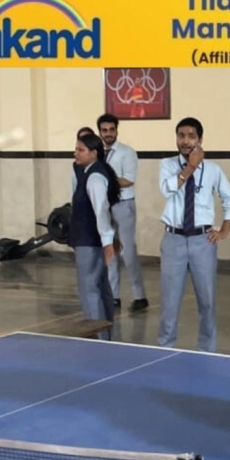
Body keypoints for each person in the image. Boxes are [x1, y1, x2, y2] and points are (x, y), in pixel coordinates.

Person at [157, 117, 230, 353]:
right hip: (173, 240)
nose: (185, 141)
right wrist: (191, 167)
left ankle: (207, 351)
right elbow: (167, 189)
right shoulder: (167, 165)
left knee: (207, 301)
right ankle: (164, 349)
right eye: (181, 135)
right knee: (169, 302)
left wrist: (224, 230)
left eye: (191, 136)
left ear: (200, 140)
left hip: (203, 241)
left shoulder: (213, 170)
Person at [96, 113, 148, 313]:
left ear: (117, 130)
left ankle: (139, 296)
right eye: (104, 130)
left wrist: (105, 182)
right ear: (100, 132)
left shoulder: (127, 152)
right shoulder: (98, 153)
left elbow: (128, 179)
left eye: (112, 129)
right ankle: (114, 296)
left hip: (124, 205)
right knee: (110, 250)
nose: (108, 133)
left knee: (128, 252)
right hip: (106, 206)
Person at [69, 132, 119, 340]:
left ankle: (97, 339)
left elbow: (101, 211)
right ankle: (105, 336)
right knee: (100, 287)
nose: (76, 153)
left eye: (81, 150)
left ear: (94, 153)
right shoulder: (88, 173)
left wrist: (108, 242)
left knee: (90, 290)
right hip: (89, 240)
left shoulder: (95, 177)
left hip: (89, 242)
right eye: (76, 149)